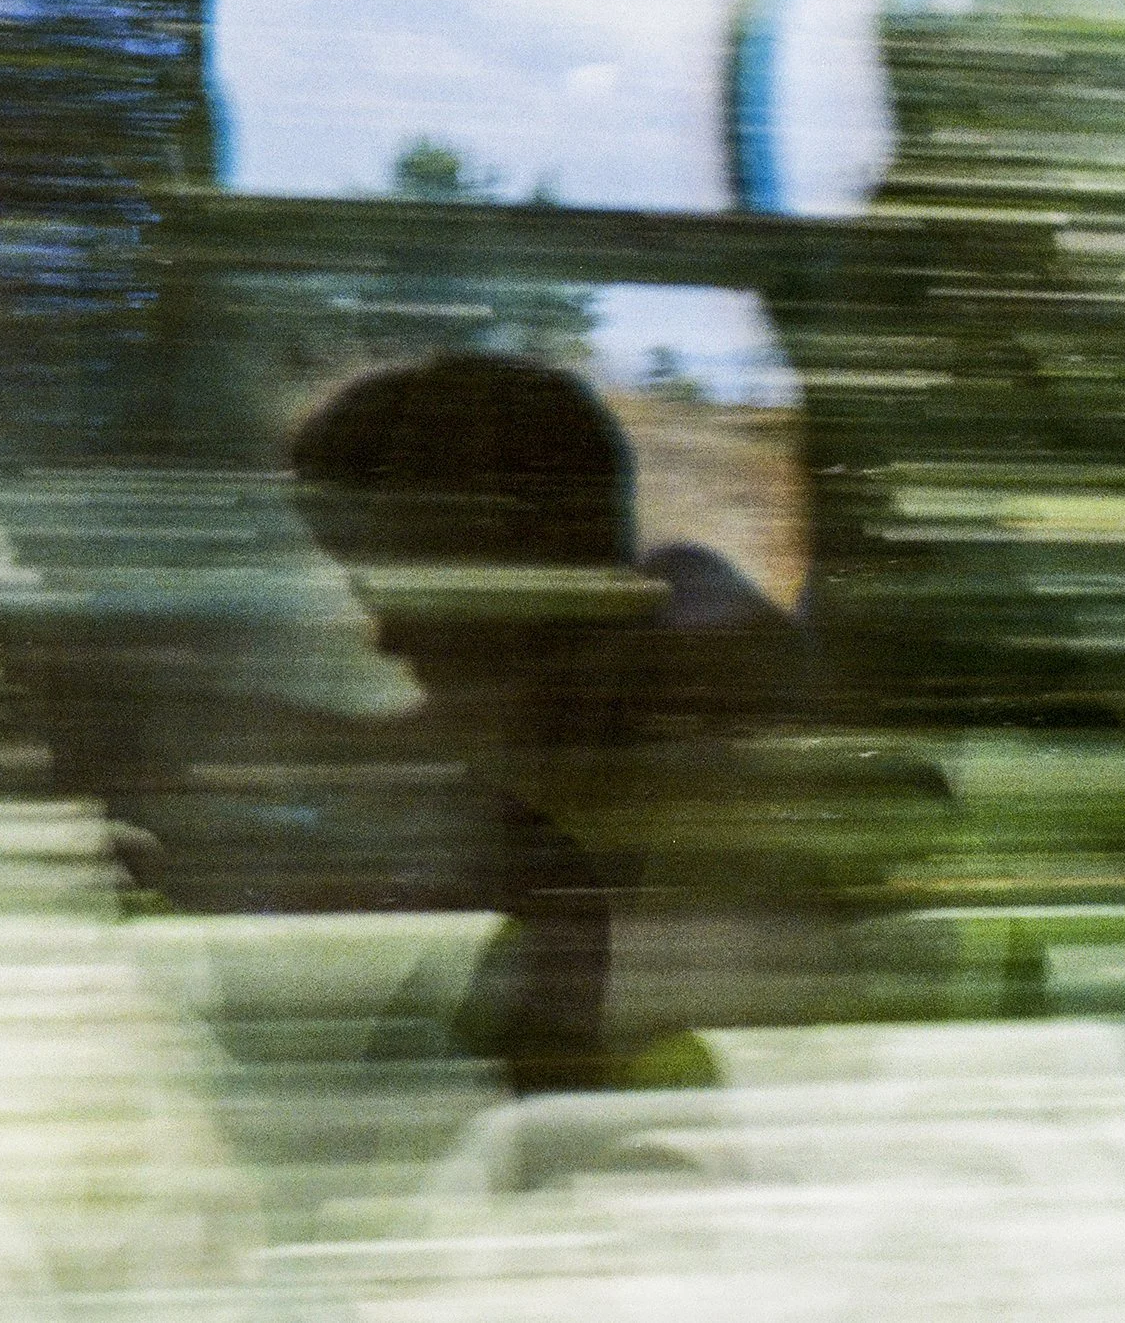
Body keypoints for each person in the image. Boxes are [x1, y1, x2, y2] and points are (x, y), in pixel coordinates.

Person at [286, 350, 800, 1092]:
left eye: (399, 591)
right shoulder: (570, 778)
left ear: (519, 566)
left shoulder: (711, 850)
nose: (385, 640)